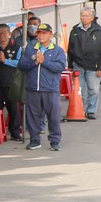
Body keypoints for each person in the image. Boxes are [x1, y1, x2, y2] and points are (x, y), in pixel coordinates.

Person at [19, 22, 68, 151]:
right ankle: (35, 140)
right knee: (33, 116)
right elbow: (22, 65)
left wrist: (44, 62)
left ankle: (54, 141)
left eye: (44, 33)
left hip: (50, 89)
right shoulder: (31, 48)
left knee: (53, 116)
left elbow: (60, 66)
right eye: (39, 33)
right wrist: (35, 61)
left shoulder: (58, 50)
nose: (41, 36)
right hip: (33, 88)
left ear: (50, 34)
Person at [68, 6, 101, 120]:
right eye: (82, 16)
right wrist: (70, 64)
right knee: (80, 90)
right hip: (78, 65)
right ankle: (80, 109)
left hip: (93, 66)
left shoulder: (100, 31)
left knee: (94, 90)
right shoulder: (75, 30)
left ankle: (91, 110)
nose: (84, 18)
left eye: (87, 16)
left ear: (92, 17)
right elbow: (70, 48)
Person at [0, 25, 24, 141]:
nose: (3, 35)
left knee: (13, 108)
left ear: (10, 34)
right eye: (0, 33)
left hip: (12, 83)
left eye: (5, 32)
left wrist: (5, 61)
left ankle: (15, 132)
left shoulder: (17, 48)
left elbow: (19, 63)